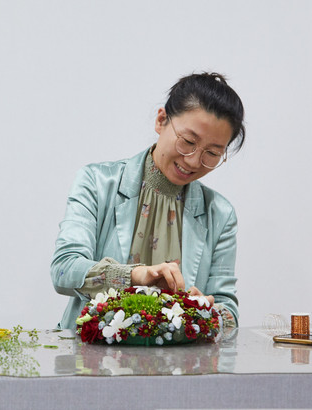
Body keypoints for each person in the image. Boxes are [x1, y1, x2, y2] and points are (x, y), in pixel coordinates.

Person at [50, 72, 245, 330]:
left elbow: (228, 311)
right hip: (90, 351)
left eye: (212, 153)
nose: (193, 161)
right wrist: (134, 275)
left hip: (180, 356)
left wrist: (207, 312)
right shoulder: (97, 182)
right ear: (161, 120)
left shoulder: (219, 213)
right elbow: (63, 269)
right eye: (188, 142)